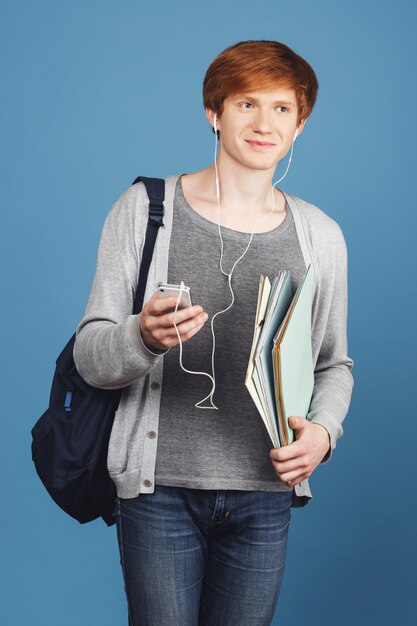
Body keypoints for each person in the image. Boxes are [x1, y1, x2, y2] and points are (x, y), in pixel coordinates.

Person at [73, 39, 354, 626]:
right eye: (247, 103)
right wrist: (142, 338)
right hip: (158, 492)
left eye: (281, 108)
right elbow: (91, 357)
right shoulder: (145, 209)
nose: (263, 122)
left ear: (300, 124)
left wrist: (324, 434)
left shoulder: (320, 235)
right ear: (214, 112)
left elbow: (333, 365)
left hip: (265, 493)